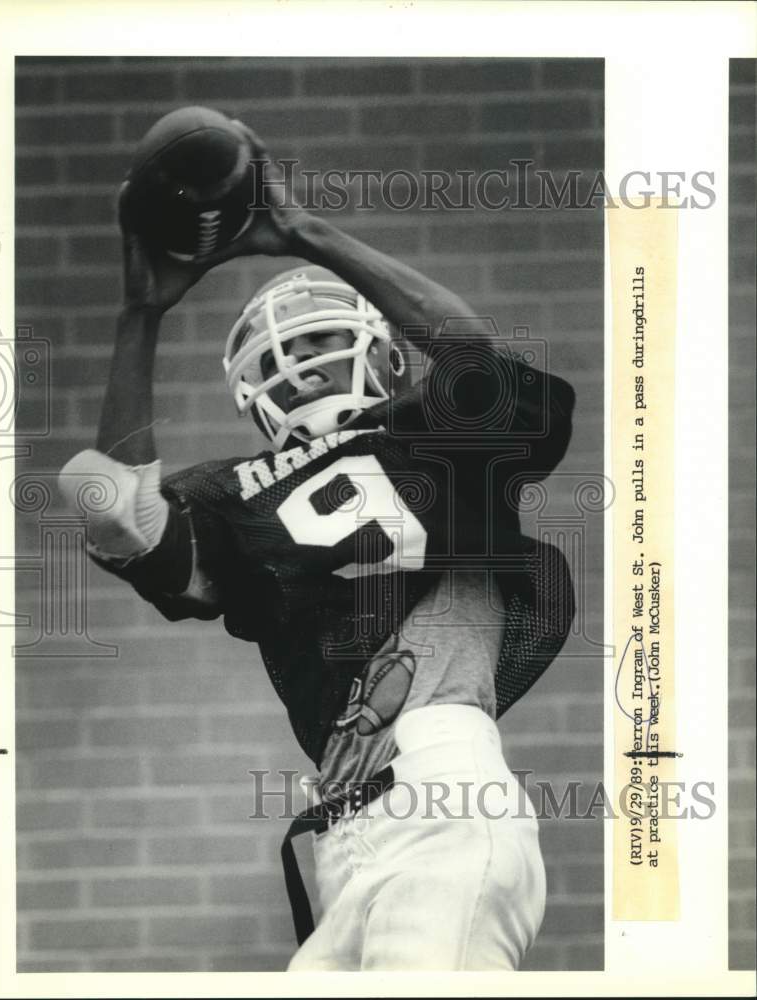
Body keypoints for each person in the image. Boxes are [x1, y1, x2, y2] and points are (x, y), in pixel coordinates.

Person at [59, 123, 576, 971]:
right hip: (342, 832)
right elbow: (116, 510)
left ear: (385, 356)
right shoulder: (227, 487)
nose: (300, 360)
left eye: (315, 338)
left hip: (438, 787)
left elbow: (473, 363)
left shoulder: (426, 436)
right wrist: (140, 313)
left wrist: (302, 231)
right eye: (285, 349)